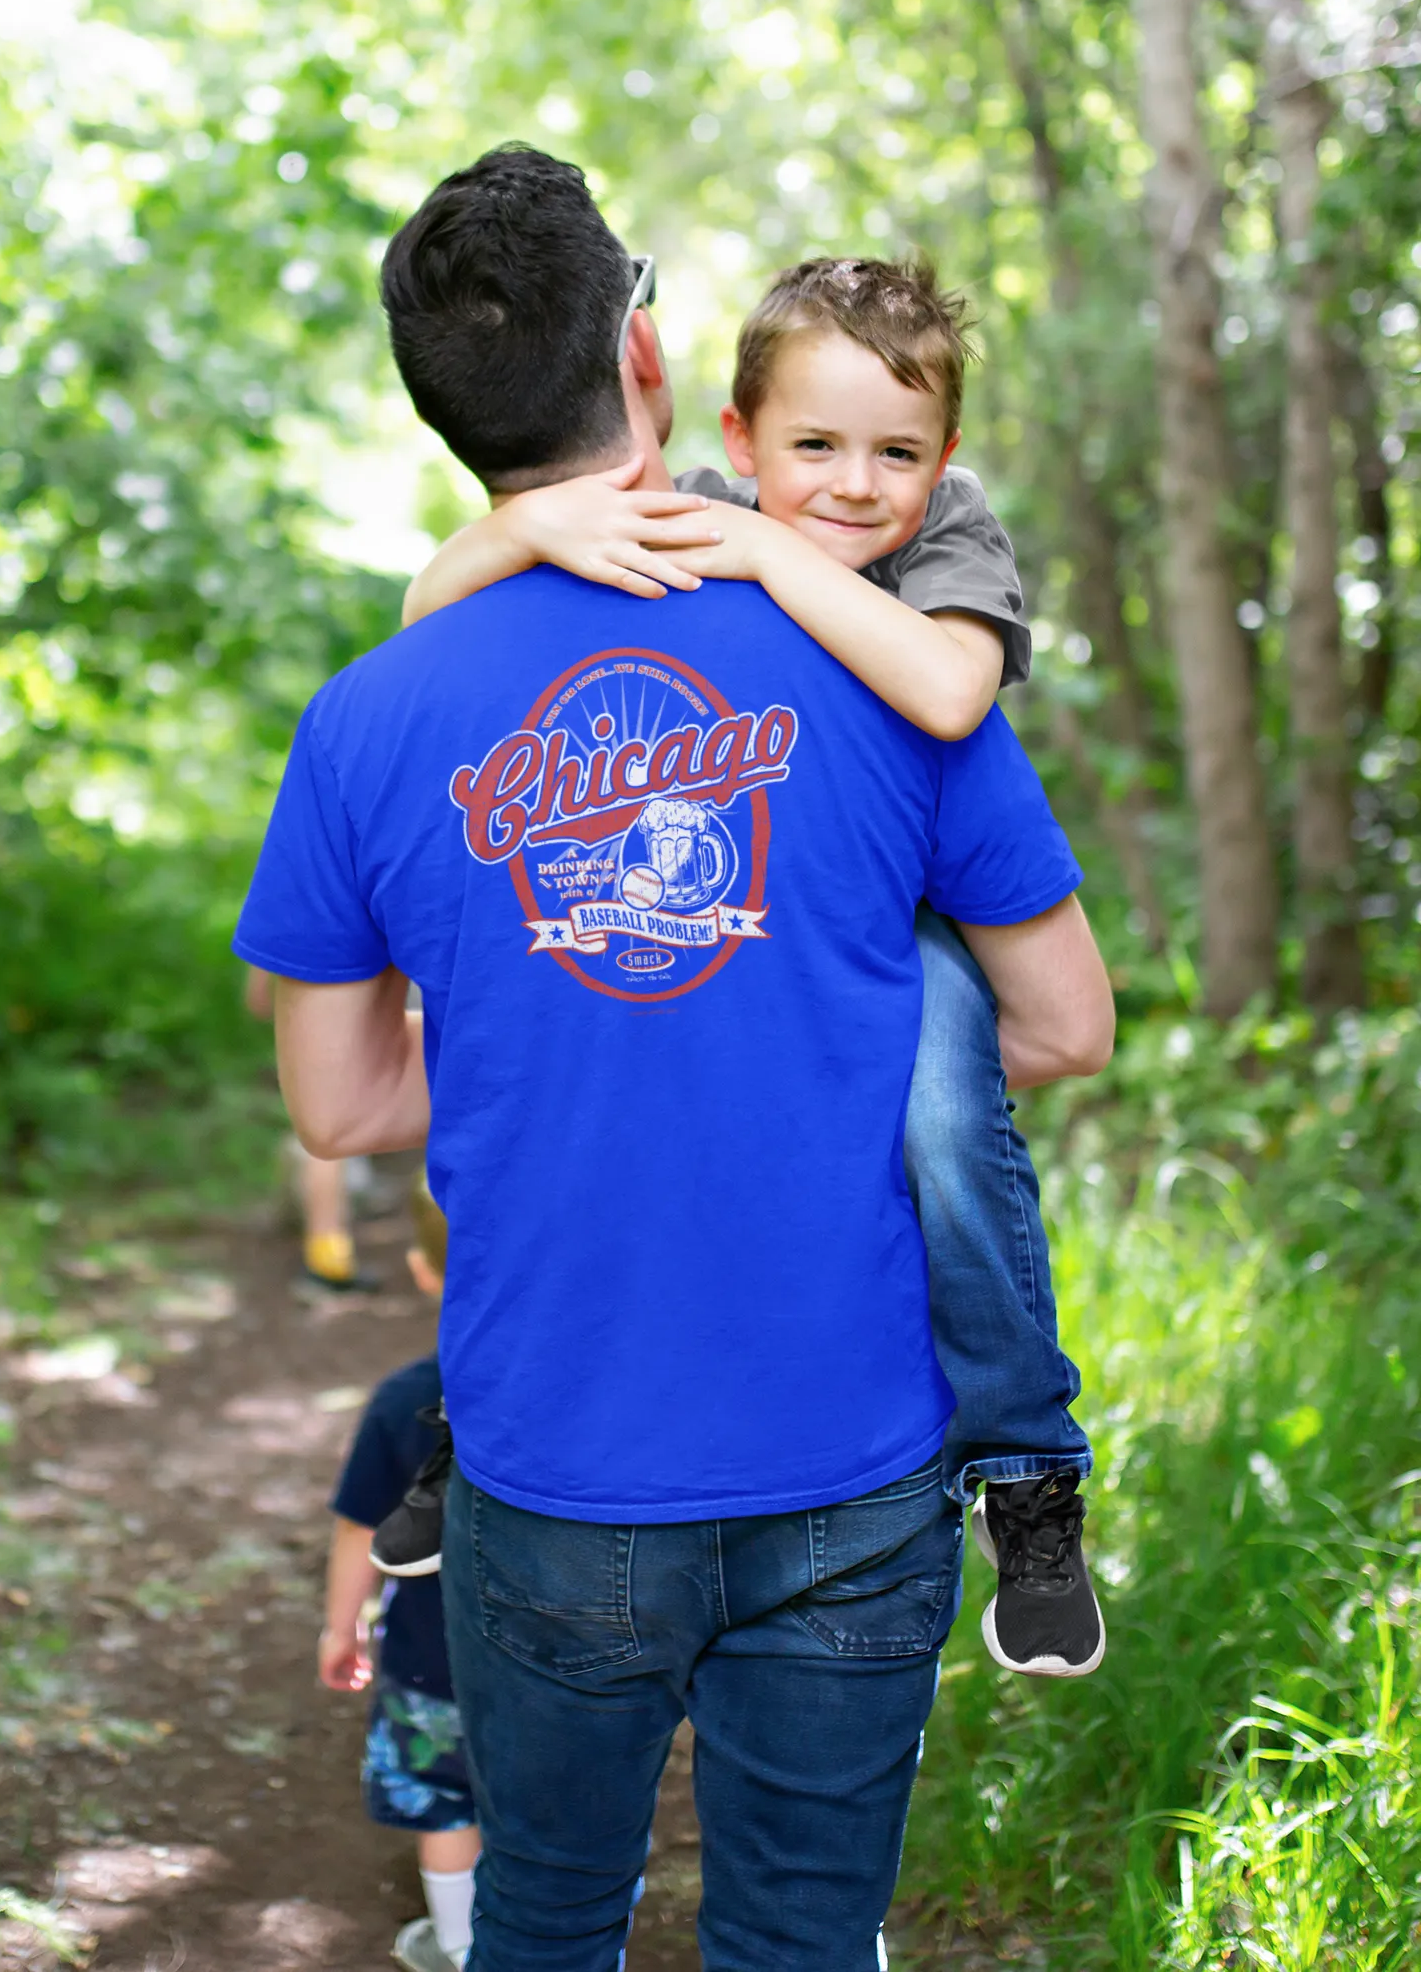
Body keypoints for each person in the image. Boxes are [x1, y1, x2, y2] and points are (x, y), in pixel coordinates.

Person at [234, 145, 1114, 1970]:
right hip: (854, 1458)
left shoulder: (371, 714)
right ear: (655, 360)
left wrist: (553, 1081)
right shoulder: (874, 666)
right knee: (807, 1932)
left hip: (553, 1468)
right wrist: (805, 1071)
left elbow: (338, 1102)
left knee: (543, 1914)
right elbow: (1062, 1026)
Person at [380, 253, 1103, 1681]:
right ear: (737, 441)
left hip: (900, 923)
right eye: (813, 448)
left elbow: (952, 692)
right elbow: (424, 615)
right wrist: (538, 531)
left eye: (895, 450)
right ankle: (471, 1426)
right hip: (731, 900)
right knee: (579, 1099)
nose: (852, 483)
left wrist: (772, 557)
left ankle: (1028, 1469)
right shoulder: (692, 518)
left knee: (951, 1127)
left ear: (945, 459)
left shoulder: (941, 535)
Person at [319, 1174, 479, 1972]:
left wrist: (340, 1627)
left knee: (445, 1807)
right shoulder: (571, 1398)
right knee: (558, 1808)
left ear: (423, 1269)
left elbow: (358, 1530)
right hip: (558, 1658)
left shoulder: (402, 1399)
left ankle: (457, 1945)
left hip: (429, 1659)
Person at [243, 964, 378, 1294]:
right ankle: (326, 1260)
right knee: (328, 1141)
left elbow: (257, 1000)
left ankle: (325, 1254)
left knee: (322, 1136)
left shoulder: (277, 910)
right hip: (345, 1014)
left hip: (310, 1018)